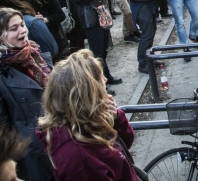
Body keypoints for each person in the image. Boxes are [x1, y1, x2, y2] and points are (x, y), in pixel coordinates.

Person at [36, 49, 138, 180]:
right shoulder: (80, 160)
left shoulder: (87, 120)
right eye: (101, 77)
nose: (106, 79)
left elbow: (125, 144)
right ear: (87, 93)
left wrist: (117, 118)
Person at [0, 8, 54, 180]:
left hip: (56, 134)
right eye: (14, 29)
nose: (22, 30)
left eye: (21, 25)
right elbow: (1, 128)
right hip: (32, 151)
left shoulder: (34, 53)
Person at [68, 0, 122, 94]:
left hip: (99, 13)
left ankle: (106, 76)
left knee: (103, 49)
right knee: (96, 52)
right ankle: (99, 85)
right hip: (90, 17)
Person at [2, 0, 68, 55]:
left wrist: (45, 20)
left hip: (53, 42)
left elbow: (60, 15)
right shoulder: (9, 0)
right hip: (30, 49)